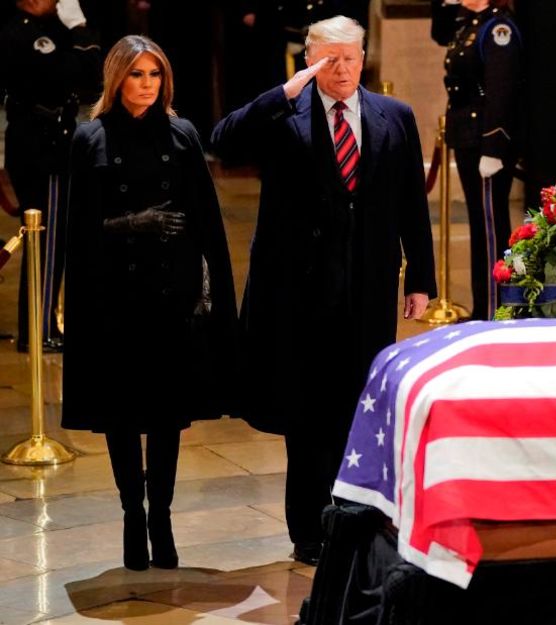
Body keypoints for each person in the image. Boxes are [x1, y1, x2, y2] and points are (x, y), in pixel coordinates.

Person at [210, 15, 436, 565]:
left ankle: (355, 519)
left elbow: (411, 202)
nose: (342, 69)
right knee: (307, 415)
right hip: (300, 292)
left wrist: (423, 281)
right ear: (310, 61)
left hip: (368, 287)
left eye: (351, 58)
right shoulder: (284, 113)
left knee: (359, 408)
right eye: (329, 59)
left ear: (364, 59)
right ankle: (308, 529)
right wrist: (284, 92)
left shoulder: (395, 116)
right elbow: (223, 141)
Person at [62, 35, 238, 571]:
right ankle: (131, 515)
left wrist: (213, 296)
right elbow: (78, 229)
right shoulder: (90, 138)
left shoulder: (182, 134)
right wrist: (130, 223)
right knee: (121, 415)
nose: (146, 85)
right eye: (137, 75)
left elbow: (208, 221)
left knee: (167, 415)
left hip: (171, 295)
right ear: (117, 79)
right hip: (112, 298)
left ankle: (160, 516)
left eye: (154, 75)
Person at [0, 0, 101, 351]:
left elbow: (90, 74)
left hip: (43, 138)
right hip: (43, 143)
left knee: (49, 240)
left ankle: (40, 325)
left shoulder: (40, 29)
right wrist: (78, 27)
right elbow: (79, 69)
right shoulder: (26, 34)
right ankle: (39, 329)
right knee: (48, 239)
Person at [443, 0, 521, 320]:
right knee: (479, 223)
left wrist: (494, 146)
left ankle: (494, 310)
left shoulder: (498, 28)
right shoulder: (467, 24)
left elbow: (501, 90)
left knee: (491, 228)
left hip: (485, 141)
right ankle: (482, 307)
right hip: (467, 137)